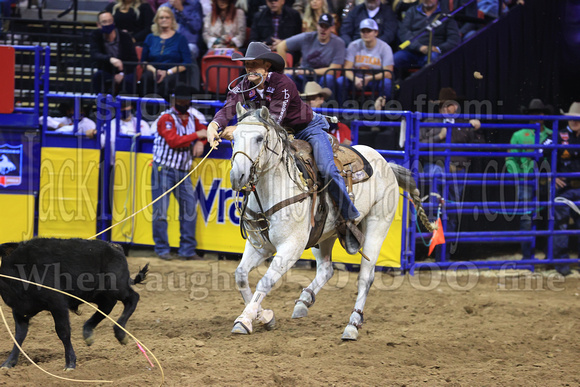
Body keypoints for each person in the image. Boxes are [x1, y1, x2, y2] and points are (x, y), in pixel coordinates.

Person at [206, 42, 363, 254]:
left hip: (306, 128)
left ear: (267, 66)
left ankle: (349, 217)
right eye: (247, 65)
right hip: (278, 133)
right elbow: (228, 107)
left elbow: (273, 121)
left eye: (255, 64)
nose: (250, 69)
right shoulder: (242, 85)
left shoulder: (283, 83)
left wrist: (235, 128)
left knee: (326, 168)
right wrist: (214, 125)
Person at [420, 87, 482, 255]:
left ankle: (445, 252)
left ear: (456, 106)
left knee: (452, 211)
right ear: (440, 108)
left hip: (458, 171)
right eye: (444, 105)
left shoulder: (465, 124)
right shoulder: (429, 123)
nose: (448, 109)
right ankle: (436, 250)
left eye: (451, 105)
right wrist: (439, 136)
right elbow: (419, 145)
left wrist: (476, 131)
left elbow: (479, 147)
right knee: (436, 207)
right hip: (437, 168)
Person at [151, 84, 208, 261]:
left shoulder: (192, 118)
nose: (183, 103)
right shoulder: (165, 118)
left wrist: (202, 141)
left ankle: (187, 250)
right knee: (160, 211)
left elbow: (207, 132)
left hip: (183, 171)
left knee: (189, 210)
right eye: (180, 100)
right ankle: (162, 249)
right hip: (163, 168)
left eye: (186, 100)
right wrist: (197, 135)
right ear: (174, 101)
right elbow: (174, 141)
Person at [505, 98, 553, 260]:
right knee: (527, 218)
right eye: (533, 113)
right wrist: (519, 177)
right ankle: (528, 255)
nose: (536, 116)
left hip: (547, 181)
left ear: (544, 115)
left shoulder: (552, 135)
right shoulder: (519, 135)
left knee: (548, 217)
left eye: (539, 113)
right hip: (527, 181)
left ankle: (549, 255)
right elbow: (511, 160)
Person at [276, 13, 345, 92]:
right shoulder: (307, 37)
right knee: (287, 76)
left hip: (322, 76)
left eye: (326, 27)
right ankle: (292, 103)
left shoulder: (339, 43)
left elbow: (333, 70)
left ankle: (327, 104)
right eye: (321, 26)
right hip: (303, 76)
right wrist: (285, 69)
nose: (323, 29)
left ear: (332, 28)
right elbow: (281, 46)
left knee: (328, 78)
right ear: (317, 26)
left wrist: (309, 71)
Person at [336, 18, 394, 106]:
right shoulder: (353, 45)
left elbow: (388, 73)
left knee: (386, 83)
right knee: (341, 81)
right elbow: (347, 69)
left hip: (374, 81)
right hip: (357, 80)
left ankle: (382, 113)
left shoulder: (385, 48)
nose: (365, 34)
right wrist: (355, 79)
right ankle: (343, 111)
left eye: (369, 31)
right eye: (363, 31)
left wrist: (369, 78)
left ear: (376, 32)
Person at [394, 0, 460, 75]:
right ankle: (397, 85)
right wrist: (419, 47)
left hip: (433, 52)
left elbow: (454, 39)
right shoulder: (412, 11)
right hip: (412, 51)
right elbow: (404, 33)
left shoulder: (445, 15)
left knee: (433, 58)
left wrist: (438, 48)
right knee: (396, 58)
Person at [553, 102, 580, 276]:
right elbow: (541, 154)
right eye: (571, 118)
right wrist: (550, 175)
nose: (574, 121)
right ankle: (562, 265)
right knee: (561, 225)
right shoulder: (559, 134)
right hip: (565, 189)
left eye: (577, 119)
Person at [140, 7, 193, 98]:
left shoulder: (180, 39)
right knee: (145, 78)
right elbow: (143, 61)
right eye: (161, 17)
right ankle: (146, 109)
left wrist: (167, 72)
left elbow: (186, 63)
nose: (164, 20)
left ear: (172, 20)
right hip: (153, 71)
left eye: (167, 17)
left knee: (167, 81)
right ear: (157, 20)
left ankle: (165, 110)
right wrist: (155, 71)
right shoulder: (150, 38)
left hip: (173, 72)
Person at [90, 11, 138, 95]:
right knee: (98, 76)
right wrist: (110, 59)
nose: (108, 24)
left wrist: (122, 73)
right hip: (107, 69)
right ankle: (101, 105)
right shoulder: (96, 35)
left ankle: (127, 106)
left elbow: (134, 59)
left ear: (114, 22)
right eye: (104, 22)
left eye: (110, 21)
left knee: (129, 80)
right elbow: (95, 54)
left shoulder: (125, 37)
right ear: (98, 25)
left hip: (126, 70)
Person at [300, 81, 352, 145]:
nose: (310, 101)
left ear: (321, 99)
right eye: (307, 99)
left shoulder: (338, 125)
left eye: (313, 98)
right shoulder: (301, 116)